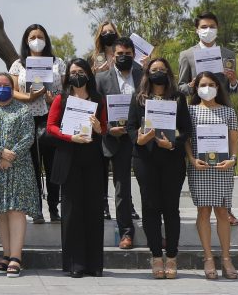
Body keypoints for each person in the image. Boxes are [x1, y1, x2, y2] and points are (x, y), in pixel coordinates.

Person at [126, 58, 191, 280]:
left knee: (171, 209)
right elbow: (131, 126)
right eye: (154, 70)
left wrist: (173, 143)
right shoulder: (138, 99)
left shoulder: (178, 98)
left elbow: (186, 130)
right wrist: (139, 139)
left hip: (172, 160)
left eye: (162, 70)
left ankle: (171, 256)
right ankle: (155, 256)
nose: (158, 73)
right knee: (150, 208)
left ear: (168, 73)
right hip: (146, 160)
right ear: (147, 73)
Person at [178, 11, 238, 227]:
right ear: (197, 29)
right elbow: (180, 87)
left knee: (224, 161)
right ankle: (205, 208)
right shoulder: (187, 54)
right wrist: (194, 84)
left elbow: (233, 89)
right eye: (203, 26)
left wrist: (233, 82)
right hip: (198, 113)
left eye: (212, 26)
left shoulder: (227, 53)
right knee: (204, 160)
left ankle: (227, 209)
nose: (208, 30)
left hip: (222, 114)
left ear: (217, 28)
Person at [47, 59, 107, 278]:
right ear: (67, 76)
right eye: (73, 72)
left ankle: (94, 264)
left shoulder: (99, 99)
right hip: (69, 156)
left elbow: (105, 128)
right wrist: (70, 136)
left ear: (88, 74)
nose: (77, 75)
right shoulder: (61, 99)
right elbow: (50, 127)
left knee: (93, 209)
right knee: (72, 211)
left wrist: (99, 128)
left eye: (80, 72)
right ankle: (75, 263)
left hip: (92, 157)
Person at [0, 73, 38, 278]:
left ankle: (16, 257)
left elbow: (28, 136)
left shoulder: (23, 110)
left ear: (13, 88)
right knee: (2, 211)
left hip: (18, 167)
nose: (2, 88)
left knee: (16, 209)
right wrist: (0, 152)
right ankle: (6, 253)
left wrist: (10, 157)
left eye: (6, 85)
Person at [8, 23, 66, 224]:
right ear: (26, 40)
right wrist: (28, 98)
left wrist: (54, 99)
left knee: (52, 165)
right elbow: (13, 91)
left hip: (51, 117)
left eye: (40, 36)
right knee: (32, 166)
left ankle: (53, 207)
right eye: (32, 37)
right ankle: (36, 209)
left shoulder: (58, 62)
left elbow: (66, 91)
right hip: (27, 118)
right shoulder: (18, 64)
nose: (37, 40)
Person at [185, 72, 238, 280]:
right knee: (204, 211)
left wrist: (233, 159)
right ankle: (208, 258)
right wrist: (191, 158)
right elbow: (186, 139)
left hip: (223, 167)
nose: (207, 88)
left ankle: (227, 258)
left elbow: (234, 140)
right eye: (203, 84)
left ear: (218, 87)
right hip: (200, 167)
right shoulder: (190, 111)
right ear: (196, 87)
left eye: (211, 84)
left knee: (223, 212)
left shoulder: (228, 112)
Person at [94, 36, 141, 249]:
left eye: (128, 54)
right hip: (115, 139)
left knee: (148, 187)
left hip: (142, 138)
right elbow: (96, 110)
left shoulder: (143, 75)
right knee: (121, 188)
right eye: (119, 54)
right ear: (113, 56)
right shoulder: (101, 79)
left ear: (134, 55)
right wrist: (107, 129)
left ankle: (154, 229)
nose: (123, 57)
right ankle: (126, 233)